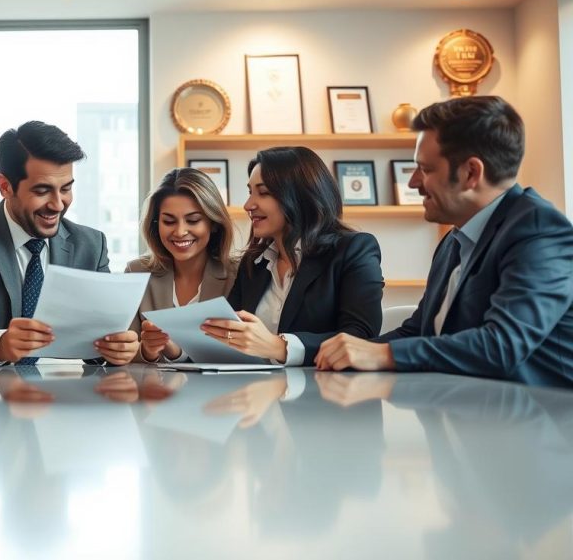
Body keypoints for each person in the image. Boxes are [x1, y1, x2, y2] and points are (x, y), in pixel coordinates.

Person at [316, 96, 573, 387]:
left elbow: (502, 345)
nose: (412, 182)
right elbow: (419, 332)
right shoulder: (454, 240)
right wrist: (344, 352)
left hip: (541, 424)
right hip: (470, 417)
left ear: (471, 173)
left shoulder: (540, 232)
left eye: (425, 169)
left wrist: (384, 354)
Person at [0, 120, 139, 366]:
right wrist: (0, 343)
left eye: (66, 189)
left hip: (71, 393)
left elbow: (105, 334)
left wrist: (118, 348)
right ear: (5, 187)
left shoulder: (91, 245)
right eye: (42, 191)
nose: (58, 204)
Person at [201, 146, 384, 365]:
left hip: (325, 392)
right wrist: (175, 349)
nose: (248, 205)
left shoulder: (354, 249)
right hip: (257, 392)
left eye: (264, 192)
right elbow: (229, 333)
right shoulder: (254, 263)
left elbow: (361, 337)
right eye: (250, 192)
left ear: (301, 196)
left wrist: (279, 347)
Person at [125, 167, 237, 362]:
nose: (180, 232)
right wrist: (147, 351)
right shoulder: (136, 273)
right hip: (154, 390)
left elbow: (241, 352)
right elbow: (122, 350)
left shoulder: (239, 274)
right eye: (169, 221)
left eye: (193, 220)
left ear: (213, 222)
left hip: (221, 391)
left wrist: (175, 351)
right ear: (155, 224)